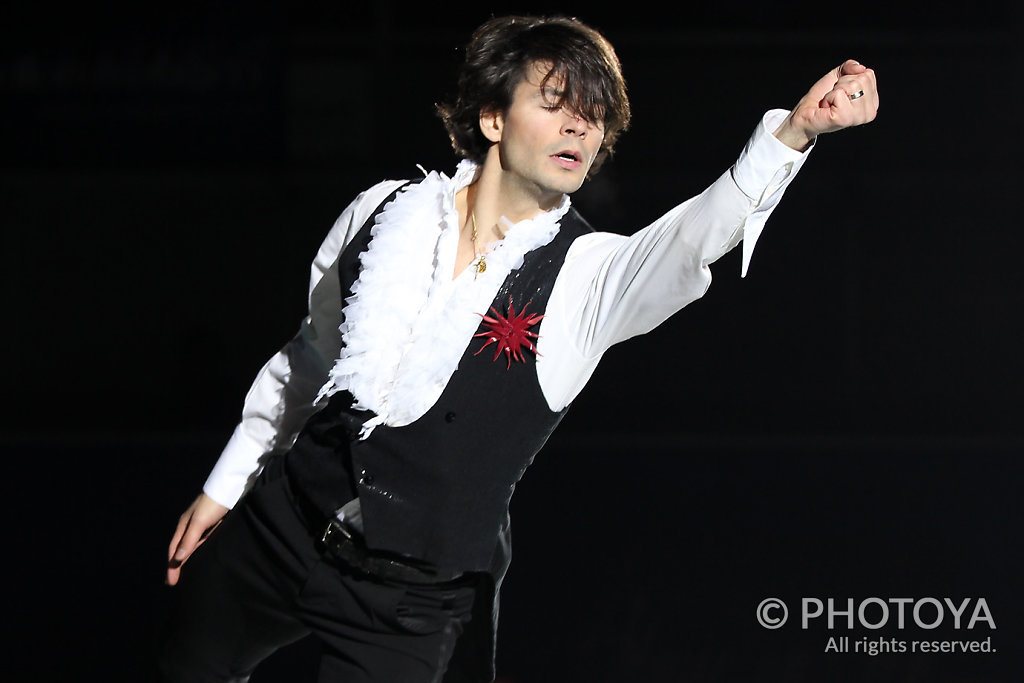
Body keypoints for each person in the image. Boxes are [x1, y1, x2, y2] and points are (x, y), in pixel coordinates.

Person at [159, 14, 878, 683]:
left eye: (595, 115)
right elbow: (309, 357)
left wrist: (794, 132)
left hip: (406, 603)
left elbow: (695, 235)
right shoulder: (383, 211)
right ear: (493, 117)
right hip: (280, 528)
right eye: (557, 103)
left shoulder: (589, 276)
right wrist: (226, 485)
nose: (580, 127)